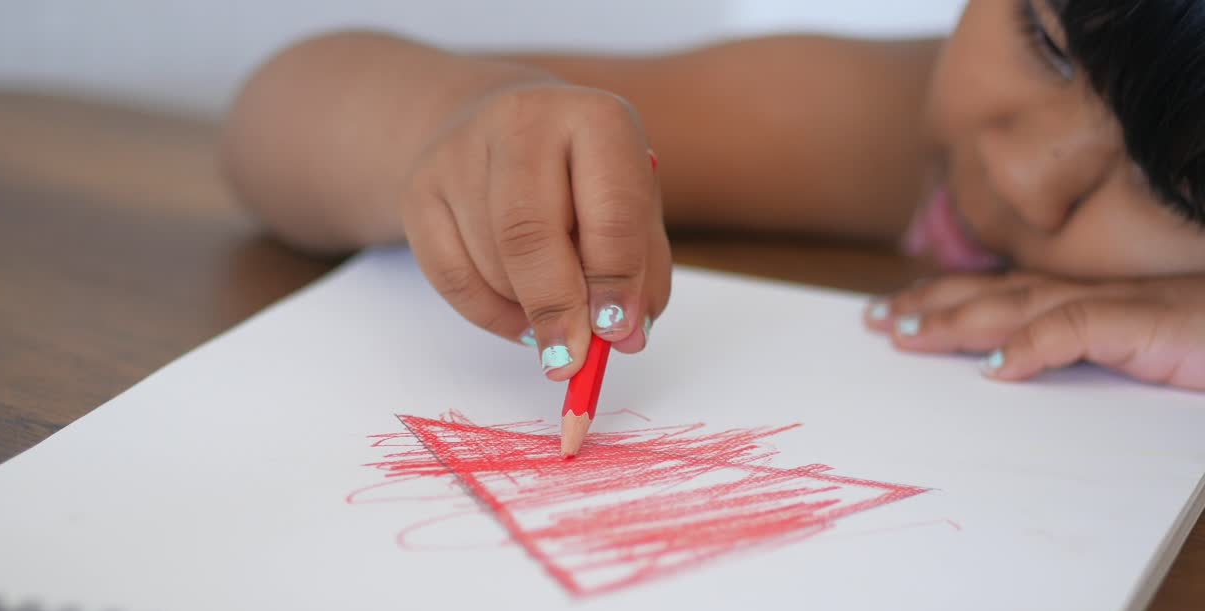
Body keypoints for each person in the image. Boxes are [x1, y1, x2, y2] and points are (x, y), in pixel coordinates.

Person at [220, 0, 1205, 391]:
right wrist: (460, 122)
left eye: (1175, 190)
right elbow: (271, 119)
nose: (1025, 177)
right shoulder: (866, 124)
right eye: (1040, 41)